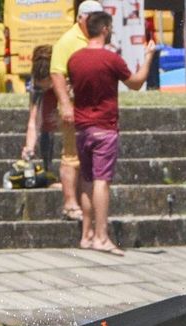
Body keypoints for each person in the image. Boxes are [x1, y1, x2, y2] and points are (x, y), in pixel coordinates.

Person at [67, 11, 156, 255]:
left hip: (82, 128)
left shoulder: (74, 59)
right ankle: (101, 236)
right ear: (104, 29)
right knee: (101, 182)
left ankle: (86, 235)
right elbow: (136, 83)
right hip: (104, 128)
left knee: (86, 180)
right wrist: (148, 57)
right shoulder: (110, 59)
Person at [51, 0, 105, 222]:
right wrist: (64, 103)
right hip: (74, 107)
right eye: (93, 18)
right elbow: (56, 74)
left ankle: (87, 203)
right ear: (81, 18)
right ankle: (69, 203)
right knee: (72, 156)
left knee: (88, 158)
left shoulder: (92, 39)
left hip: (92, 107)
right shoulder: (68, 40)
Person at [22, 45, 58, 174]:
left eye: (47, 84)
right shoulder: (35, 83)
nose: (44, 89)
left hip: (64, 86)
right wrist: (29, 148)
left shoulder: (63, 73)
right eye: (40, 86)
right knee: (46, 123)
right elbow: (33, 120)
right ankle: (48, 168)